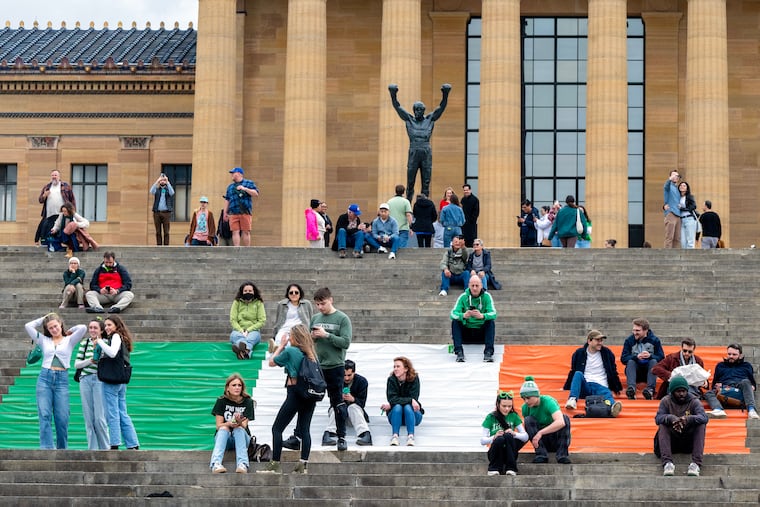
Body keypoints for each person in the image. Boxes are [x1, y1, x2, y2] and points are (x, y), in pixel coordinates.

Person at [258, 324, 319, 474]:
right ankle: (303, 464)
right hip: (310, 395)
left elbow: (272, 362)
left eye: (290, 335)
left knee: (277, 428)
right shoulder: (311, 354)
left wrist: (281, 346)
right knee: (305, 430)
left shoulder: (291, 351)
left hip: (295, 393)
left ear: (295, 337)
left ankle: (275, 464)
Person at [24, 312, 87, 449]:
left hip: (61, 379)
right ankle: (46, 448)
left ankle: (62, 449)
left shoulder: (69, 340)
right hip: (45, 378)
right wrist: (44, 318)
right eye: (50, 328)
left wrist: (70, 330)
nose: (54, 329)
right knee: (44, 413)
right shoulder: (43, 340)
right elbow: (28, 326)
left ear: (61, 324)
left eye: (56, 326)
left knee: (62, 417)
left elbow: (83, 328)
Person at [388, 83, 451, 201]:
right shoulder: (409, 119)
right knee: (410, 181)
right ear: (414, 110)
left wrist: (445, 95)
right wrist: (393, 95)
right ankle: (408, 206)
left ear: (423, 111)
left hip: (426, 151)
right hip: (414, 151)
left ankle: (424, 205)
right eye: (416, 109)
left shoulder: (430, 119)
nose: (418, 111)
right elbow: (398, 107)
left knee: (426, 181)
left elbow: (441, 108)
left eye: (420, 109)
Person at [310, 287, 352, 451]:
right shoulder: (315, 318)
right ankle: (298, 434)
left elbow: (345, 342)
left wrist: (326, 335)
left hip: (335, 366)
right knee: (308, 401)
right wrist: (312, 337)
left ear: (331, 300)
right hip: (318, 366)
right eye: (318, 304)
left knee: (337, 403)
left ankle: (341, 437)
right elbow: (308, 340)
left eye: (323, 303)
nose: (320, 307)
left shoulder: (342, 318)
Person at [93, 315, 140, 450]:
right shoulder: (122, 338)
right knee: (122, 412)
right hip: (120, 380)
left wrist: (100, 342)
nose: (107, 328)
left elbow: (113, 353)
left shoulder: (115, 336)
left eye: (109, 325)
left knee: (112, 413)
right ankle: (132, 443)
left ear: (116, 326)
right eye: (106, 325)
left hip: (111, 380)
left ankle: (115, 443)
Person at [651, 338, 724, 417]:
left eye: (690, 352)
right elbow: (656, 369)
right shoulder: (672, 358)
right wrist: (671, 376)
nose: (687, 353)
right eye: (685, 351)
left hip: (692, 388)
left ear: (693, 351)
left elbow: (701, 376)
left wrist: (704, 382)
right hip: (675, 386)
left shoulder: (698, 361)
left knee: (691, 392)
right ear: (681, 348)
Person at [655, 376, 708, 477]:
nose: (681, 394)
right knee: (663, 425)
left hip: (688, 442)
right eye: (678, 391)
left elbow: (704, 418)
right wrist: (671, 418)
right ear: (672, 392)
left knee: (701, 425)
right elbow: (658, 418)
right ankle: (667, 463)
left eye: (683, 391)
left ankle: (696, 464)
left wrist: (688, 419)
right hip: (672, 441)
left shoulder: (694, 401)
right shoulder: (665, 401)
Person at [562, 330, 623, 417]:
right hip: (585, 385)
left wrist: (617, 388)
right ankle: (572, 400)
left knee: (607, 392)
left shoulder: (607, 353)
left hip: (600, 385)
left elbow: (613, 371)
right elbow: (573, 371)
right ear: (589, 341)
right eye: (598, 340)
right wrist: (566, 387)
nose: (600, 343)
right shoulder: (579, 353)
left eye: (601, 340)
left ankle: (613, 407)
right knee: (578, 373)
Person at [74, 319, 110, 450]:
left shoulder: (105, 343)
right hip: (85, 379)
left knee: (99, 418)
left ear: (101, 330)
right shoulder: (84, 343)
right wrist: (90, 360)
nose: (93, 330)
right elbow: (77, 364)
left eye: (95, 328)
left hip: (100, 380)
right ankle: (92, 449)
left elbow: (106, 360)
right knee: (88, 417)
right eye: (91, 328)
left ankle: (105, 448)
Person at [520, 376, 571, 464]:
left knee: (565, 418)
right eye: (523, 399)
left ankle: (562, 455)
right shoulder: (525, 408)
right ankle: (541, 454)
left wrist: (541, 433)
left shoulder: (548, 401)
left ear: (536, 395)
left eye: (528, 398)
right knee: (528, 420)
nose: (526, 401)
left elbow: (561, 422)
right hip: (541, 441)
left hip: (556, 438)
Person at [209, 373, 255, 474]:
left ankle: (242, 464)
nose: (237, 388)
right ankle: (216, 464)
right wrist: (229, 423)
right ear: (228, 388)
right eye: (234, 385)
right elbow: (218, 425)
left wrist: (238, 422)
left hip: (242, 437)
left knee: (239, 429)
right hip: (225, 439)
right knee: (223, 429)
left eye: (239, 385)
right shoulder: (221, 401)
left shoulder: (248, 401)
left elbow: (244, 426)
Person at [323, 359, 373, 447]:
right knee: (337, 407)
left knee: (353, 407)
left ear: (354, 372)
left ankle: (365, 434)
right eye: (344, 375)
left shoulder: (362, 382)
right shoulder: (336, 381)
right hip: (339, 413)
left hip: (354, 412)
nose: (346, 378)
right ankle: (329, 432)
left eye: (349, 375)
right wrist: (339, 397)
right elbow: (331, 399)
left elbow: (362, 403)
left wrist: (353, 399)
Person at [450, 275, 497, 363]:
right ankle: (459, 352)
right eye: (472, 286)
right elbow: (452, 314)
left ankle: (488, 353)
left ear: (481, 286)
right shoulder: (463, 297)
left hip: (481, 333)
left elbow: (494, 313)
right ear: (469, 286)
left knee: (490, 322)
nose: (475, 288)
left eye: (477, 285)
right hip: (466, 332)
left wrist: (482, 316)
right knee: (455, 322)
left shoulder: (487, 297)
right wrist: (463, 315)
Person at [481, 391, 528, 476]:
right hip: (495, 451)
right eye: (504, 406)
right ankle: (494, 468)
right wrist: (494, 437)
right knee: (500, 439)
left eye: (509, 406)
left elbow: (525, 437)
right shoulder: (491, 417)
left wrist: (514, 433)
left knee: (508, 436)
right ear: (498, 405)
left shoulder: (514, 416)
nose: (507, 409)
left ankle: (511, 468)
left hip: (510, 452)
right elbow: (482, 441)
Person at [707, 343, 759, 420]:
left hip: (740, 389)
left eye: (734, 354)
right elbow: (714, 383)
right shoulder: (720, 365)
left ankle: (751, 410)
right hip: (724, 389)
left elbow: (753, 384)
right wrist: (717, 386)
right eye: (729, 354)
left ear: (740, 355)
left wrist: (751, 387)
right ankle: (718, 410)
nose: (731, 356)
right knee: (708, 393)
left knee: (746, 381)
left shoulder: (746, 366)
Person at [380, 356, 424, 446]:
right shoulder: (391, 379)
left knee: (407, 407)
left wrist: (410, 400)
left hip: (413, 415)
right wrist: (410, 400)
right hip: (396, 415)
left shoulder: (414, 378)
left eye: (398, 366)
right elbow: (392, 399)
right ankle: (395, 436)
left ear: (406, 369)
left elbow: (414, 397)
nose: (395, 369)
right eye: (394, 367)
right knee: (398, 407)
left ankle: (410, 436)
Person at [620, 318, 665, 400]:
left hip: (650, 372)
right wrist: (636, 357)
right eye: (633, 330)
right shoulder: (629, 340)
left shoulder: (655, 340)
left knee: (653, 361)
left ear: (645, 331)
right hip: (635, 372)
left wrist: (650, 356)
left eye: (637, 331)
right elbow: (623, 358)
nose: (634, 333)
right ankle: (631, 389)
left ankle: (650, 390)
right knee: (631, 361)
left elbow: (661, 358)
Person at [269, 283, 313, 353]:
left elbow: (311, 318)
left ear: (300, 293)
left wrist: (310, 331)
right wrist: (275, 333)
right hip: (285, 328)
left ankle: (278, 349)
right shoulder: (281, 304)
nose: (294, 294)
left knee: (293, 342)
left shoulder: (307, 304)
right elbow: (278, 320)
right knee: (280, 338)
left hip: (299, 328)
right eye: (291, 292)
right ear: (288, 294)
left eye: (296, 292)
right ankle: (276, 347)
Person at [36, 169, 76, 244]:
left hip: (62, 214)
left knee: (64, 232)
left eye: (56, 175)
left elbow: (72, 200)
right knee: (49, 232)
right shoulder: (47, 187)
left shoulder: (66, 186)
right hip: (49, 215)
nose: (54, 177)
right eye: (52, 175)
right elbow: (40, 200)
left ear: (59, 177)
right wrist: (44, 195)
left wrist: (73, 212)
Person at [223, 167, 259, 247]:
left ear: (239, 174)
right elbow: (227, 200)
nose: (232, 175)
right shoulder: (230, 187)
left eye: (233, 173)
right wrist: (225, 212)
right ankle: (237, 249)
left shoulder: (248, 183)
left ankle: (247, 250)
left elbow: (256, 193)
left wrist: (245, 189)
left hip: (245, 211)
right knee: (235, 231)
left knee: (246, 231)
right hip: (233, 212)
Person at [229, 281, 266, 360]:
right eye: (245, 291)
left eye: (250, 291)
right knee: (236, 336)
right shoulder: (237, 302)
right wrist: (241, 330)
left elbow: (262, 320)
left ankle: (241, 350)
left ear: (254, 292)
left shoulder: (258, 303)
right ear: (242, 292)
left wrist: (248, 330)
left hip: (254, 331)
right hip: (238, 330)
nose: (247, 292)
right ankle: (246, 351)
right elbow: (233, 319)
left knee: (251, 338)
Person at [150, 173, 175, 245]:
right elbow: (151, 191)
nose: (162, 181)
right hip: (157, 212)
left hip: (166, 212)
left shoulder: (168, 189)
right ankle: (159, 245)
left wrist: (168, 182)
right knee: (158, 231)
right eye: (161, 180)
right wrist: (157, 181)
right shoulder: (157, 190)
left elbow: (172, 193)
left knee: (166, 231)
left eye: (164, 180)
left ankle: (166, 246)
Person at [663, 169, 682, 248]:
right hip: (671, 213)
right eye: (674, 175)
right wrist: (670, 179)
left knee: (677, 238)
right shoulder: (669, 186)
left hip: (678, 215)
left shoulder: (677, 188)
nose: (675, 177)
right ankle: (667, 256)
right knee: (669, 236)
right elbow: (666, 186)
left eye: (677, 175)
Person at [677, 180, 698, 249]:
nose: (682, 187)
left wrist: (683, 208)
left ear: (687, 188)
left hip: (690, 219)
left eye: (684, 185)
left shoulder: (689, 197)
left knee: (690, 241)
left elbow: (694, 206)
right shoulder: (677, 197)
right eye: (680, 185)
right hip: (681, 220)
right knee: (683, 241)